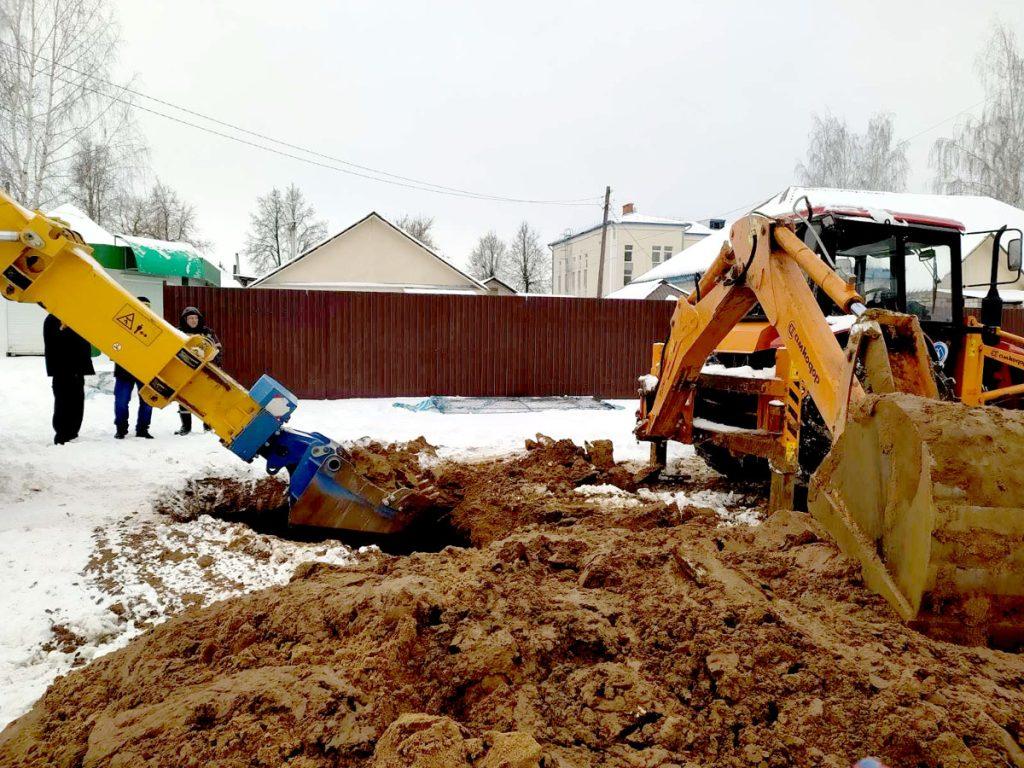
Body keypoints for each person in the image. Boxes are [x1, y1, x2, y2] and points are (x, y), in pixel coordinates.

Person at [43, 313, 94, 445]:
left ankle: (73, 432)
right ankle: (62, 435)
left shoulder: (76, 317)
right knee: (63, 403)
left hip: (78, 370)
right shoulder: (53, 319)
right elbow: (52, 342)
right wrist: (64, 329)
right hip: (62, 371)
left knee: (77, 402)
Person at [113, 296, 154, 439]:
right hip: (124, 370)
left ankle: (142, 429)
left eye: (147, 307)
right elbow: (114, 345)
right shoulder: (122, 325)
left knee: (147, 402)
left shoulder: (155, 328)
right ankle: (121, 428)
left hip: (145, 371)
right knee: (121, 402)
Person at [176, 305, 221, 435]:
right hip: (185, 370)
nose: (193, 321)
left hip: (205, 370)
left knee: (207, 399)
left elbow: (218, 349)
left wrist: (216, 365)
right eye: (190, 318)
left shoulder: (208, 332)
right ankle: (186, 426)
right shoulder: (178, 332)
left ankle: (208, 425)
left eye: (195, 318)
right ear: (185, 320)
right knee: (184, 398)